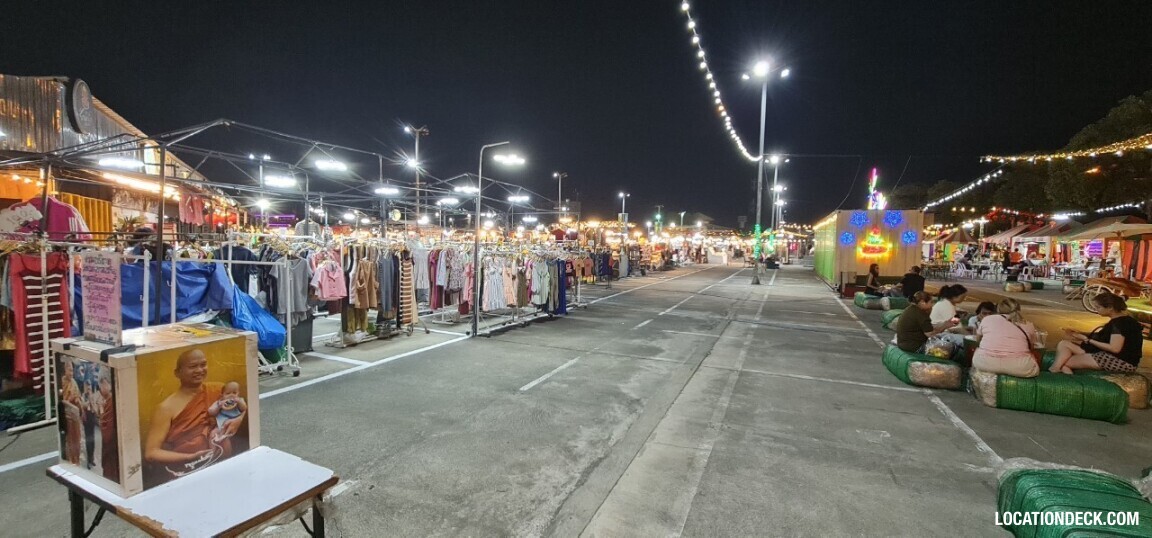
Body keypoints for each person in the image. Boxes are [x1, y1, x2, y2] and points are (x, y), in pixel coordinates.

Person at [144, 349, 239, 484]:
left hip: (223, 464)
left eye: (203, 365)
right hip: (187, 472)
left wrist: (237, 420)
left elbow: (241, 408)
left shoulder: (219, 390)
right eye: (193, 366)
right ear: (177, 373)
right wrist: (190, 457)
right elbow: (151, 453)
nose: (200, 370)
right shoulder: (166, 408)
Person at [1050, 292, 1142, 374]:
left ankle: (1061, 378)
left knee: (1064, 363)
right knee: (1064, 344)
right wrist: (1081, 333)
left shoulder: (1118, 324)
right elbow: (1106, 337)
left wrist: (1087, 340)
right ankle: (1055, 369)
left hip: (1119, 361)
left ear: (1110, 308)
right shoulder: (1125, 320)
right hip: (1113, 356)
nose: (1096, 310)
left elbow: (1115, 348)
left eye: (1098, 307)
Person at [972, 298, 1039, 378]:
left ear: (998, 309)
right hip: (1019, 367)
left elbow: (978, 340)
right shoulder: (1028, 324)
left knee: (978, 351)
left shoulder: (987, 319)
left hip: (984, 363)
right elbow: (1031, 346)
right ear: (1018, 309)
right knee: (1033, 364)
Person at [895, 291, 960, 353]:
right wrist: (945, 326)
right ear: (923, 302)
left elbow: (928, 327)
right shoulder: (920, 314)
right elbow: (930, 334)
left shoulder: (911, 309)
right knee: (953, 348)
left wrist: (944, 324)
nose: (932, 305)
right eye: (931, 302)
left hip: (903, 344)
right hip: (915, 347)